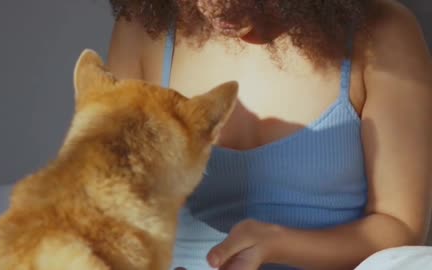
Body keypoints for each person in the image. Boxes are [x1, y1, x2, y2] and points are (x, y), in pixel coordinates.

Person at [106, 0, 432, 269]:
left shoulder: (381, 33)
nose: (210, 7)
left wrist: (279, 243)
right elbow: (103, 205)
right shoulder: (143, 32)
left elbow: (400, 226)